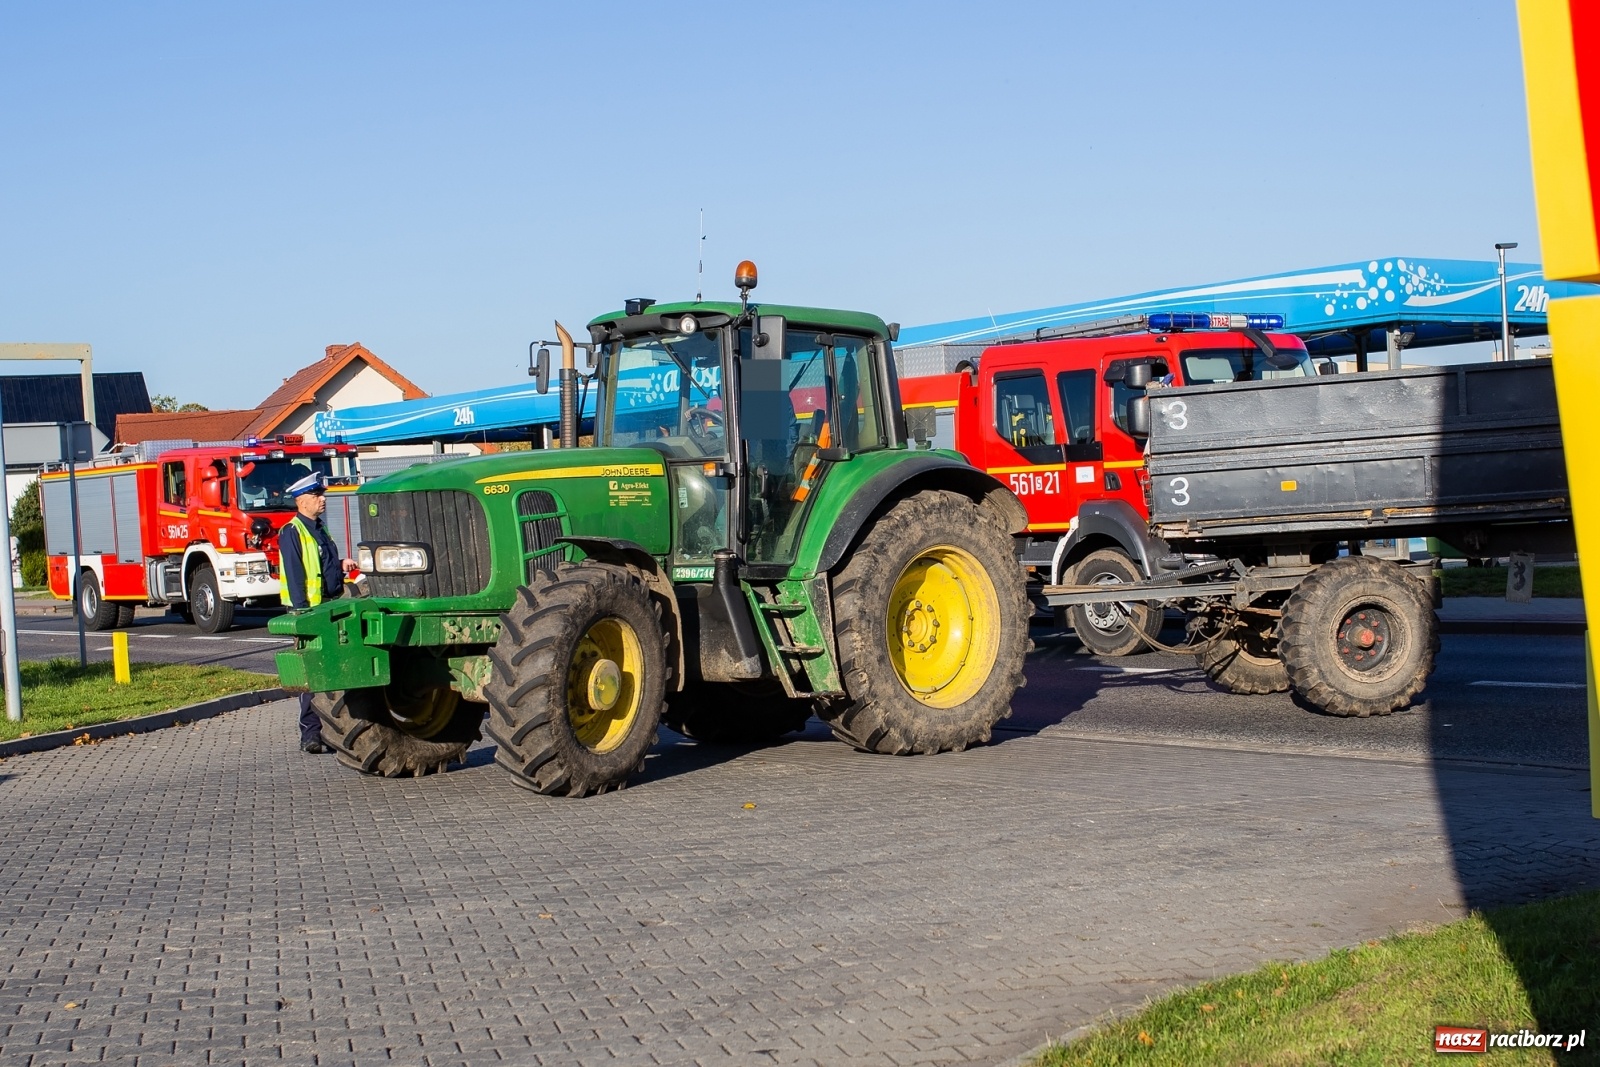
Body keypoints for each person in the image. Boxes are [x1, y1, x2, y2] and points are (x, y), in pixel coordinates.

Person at [279, 473, 355, 754]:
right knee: (311, 674)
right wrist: (301, 613)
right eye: (316, 496)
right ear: (301, 501)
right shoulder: (292, 532)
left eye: (321, 495)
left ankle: (333, 730)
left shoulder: (320, 529)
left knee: (332, 671)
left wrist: (342, 563)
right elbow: (296, 573)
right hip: (309, 611)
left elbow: (324, 564)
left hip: (329, 606)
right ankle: (310, 734)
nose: (322, 499)